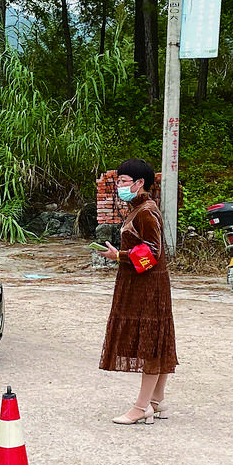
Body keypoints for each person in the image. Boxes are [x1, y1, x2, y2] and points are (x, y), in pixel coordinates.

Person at [96, 158, 178, 425]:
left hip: (147, 286)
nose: (119, 186)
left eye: (123, 181)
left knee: (151, 343)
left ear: (140, 183)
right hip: (144, 283)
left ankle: (141, 406)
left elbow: (153, 252)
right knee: (157, 341)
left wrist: (119, 255)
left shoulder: (146, 211)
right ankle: (157, 401)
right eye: (118, 181)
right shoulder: (139, 208)